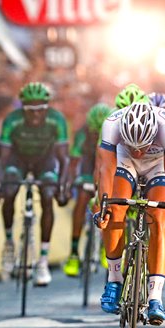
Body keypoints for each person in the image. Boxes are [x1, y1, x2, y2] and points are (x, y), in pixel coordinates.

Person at [95, 101, 165, 326]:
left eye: (143, 145)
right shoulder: (112, 123)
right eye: (133, 145)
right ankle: (114, 280)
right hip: (124, 162)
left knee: (159, 217)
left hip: (158, 165)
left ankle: (155, 297)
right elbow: (105, 169)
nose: (139, 151)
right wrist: (103, 207)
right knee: (114, 210)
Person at [0, 82, 70, 286]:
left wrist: (63, 187)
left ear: (47, 108)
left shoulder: (57, 120)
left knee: (47, 195)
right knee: (9, 189)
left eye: (40, 110)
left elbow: (64, 160)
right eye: (30, 110)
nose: (35, 115)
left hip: (45, 159)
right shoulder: (12, 120)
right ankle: (9, 243)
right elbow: (1, 158)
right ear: (22, 108)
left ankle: (42, 260)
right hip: (18, 158)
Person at [62, 103, 113, 277]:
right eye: (94, 132)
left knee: (111, 201)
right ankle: (74, 253)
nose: (97, 135)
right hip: (87, 168)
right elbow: (74, 161)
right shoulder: (82, 133)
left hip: (107, 166)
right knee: (82, 198)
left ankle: (105, 245)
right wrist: (69, 184)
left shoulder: (114, 131)